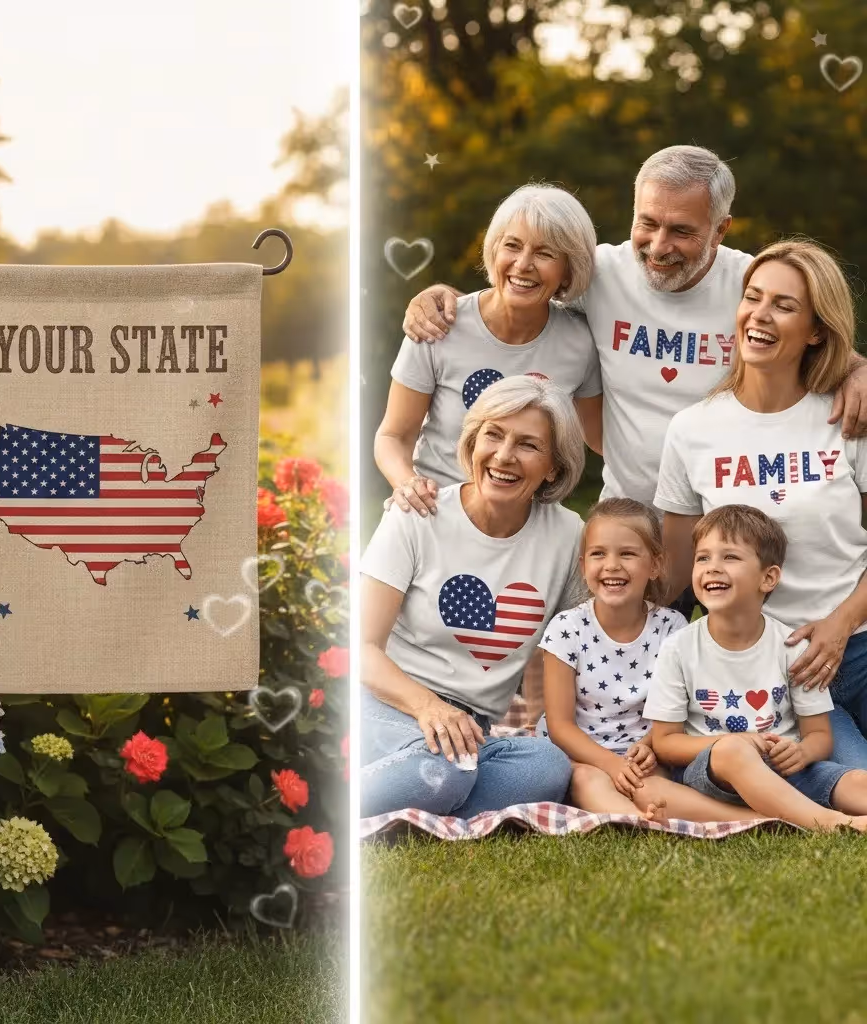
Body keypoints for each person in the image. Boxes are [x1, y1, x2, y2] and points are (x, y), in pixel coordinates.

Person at [397, 145, 867, 616]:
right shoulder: (601, 274)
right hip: (631, 525)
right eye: (647, 223)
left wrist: (860, 370)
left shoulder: (751, 285)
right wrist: (441, 298)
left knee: (729, 655)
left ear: (720, 229)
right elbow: (517, 293)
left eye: (681, 230)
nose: (659, 247)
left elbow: (823, 336)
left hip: (726, 533)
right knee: (614, 654)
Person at [655, 239, 867, 767]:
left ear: (816, 330)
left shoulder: (849, 417)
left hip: (857, 647)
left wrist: (840, 624)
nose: (760, 315)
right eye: (753, 297)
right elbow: (675, 571)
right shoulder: (692, 430)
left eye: (784, 305)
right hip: (756, 669)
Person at [360, 376, 585, 818]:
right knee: (448, 770)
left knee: (547, 767)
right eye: (493, 435)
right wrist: (427, 707)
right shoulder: (417, 515)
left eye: (528, 445)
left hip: (472, 731)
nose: (504, 456)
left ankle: (421, 797)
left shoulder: (568, 536)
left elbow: (565, 649)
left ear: (554, 467)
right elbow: (362, 648)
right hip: (388, 702)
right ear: (473, 441)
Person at [376, 184, 602, 518]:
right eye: (512, 245)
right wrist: (408, 484)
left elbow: (601, 438)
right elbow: (393, 435)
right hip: (435, 514)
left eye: (545, 253)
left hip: (522, 528)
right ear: (495, 249)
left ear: (569, 269)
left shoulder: (580, 343)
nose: (523, 264)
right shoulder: (437, 325)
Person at [539, 497, 763, 822]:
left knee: (651, 786)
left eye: (627, 554)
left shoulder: (672, 627)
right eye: (599, 554)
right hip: (581, 753)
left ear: (655, 565)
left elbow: (680, 708)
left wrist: (648, 746)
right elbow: (560, 726)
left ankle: (752, 818)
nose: (612, 565)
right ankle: (638, 821)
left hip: (645, 750)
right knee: (587, 780)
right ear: (583, 565)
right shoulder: (566, 629)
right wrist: (610, 764)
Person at [644, 505, 867, 831]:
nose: (712, 568)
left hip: (786, 771)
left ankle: (790, 812)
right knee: (730, 751)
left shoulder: (791, 647)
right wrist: (736, 744)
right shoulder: (678, 648)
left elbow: (819, 734)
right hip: (713, 776)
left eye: (729, 557)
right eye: (702, 558)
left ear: (768, 578)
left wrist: (802, 753)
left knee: (858, 781)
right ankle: (829, 822)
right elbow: (665, 742)